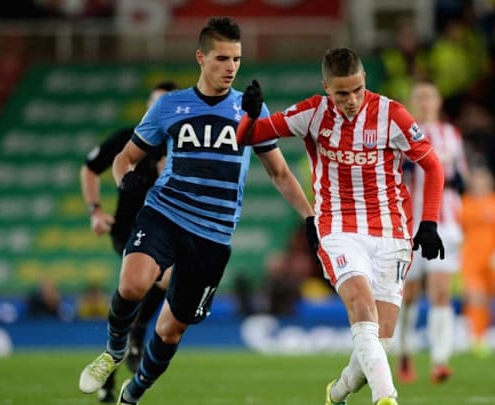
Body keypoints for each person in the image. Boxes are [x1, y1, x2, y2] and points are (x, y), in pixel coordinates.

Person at [78, 16, 314, 405]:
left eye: (237, 59)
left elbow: (280, 173)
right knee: (133, 284)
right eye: (222, 58)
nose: (231, 68)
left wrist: (310, 218)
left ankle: (132, 392)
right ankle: (113, 351)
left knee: (171, 331)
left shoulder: (249, 110)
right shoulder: (170, 106)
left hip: (213, 236)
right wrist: (127, 181)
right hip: (165, 213)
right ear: (200, 58)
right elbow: (125, 158)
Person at [237, 47, 446, 405]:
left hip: (392, 232)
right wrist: (249, 113)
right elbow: (248, 136)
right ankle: (387, 399)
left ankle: (337, 392)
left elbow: (433, 166)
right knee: (361, 305)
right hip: (338, 229)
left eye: (357, 90)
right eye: (342, 93)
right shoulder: (312, 113)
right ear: (326, 88)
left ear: (365, 81)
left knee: (377, 345)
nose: (351, 100)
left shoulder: (391, 114)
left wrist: (428, 223)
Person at [79, 80, 178, 403]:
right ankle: (131, 339)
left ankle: (117, 355)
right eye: (154, 104)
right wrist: (95, 210)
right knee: (148, 283)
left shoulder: (180, 144)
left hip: (163, 229)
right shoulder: (129, 139)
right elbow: (91, 169)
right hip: (128, 229)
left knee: (155, 284)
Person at [394, 79, 469, 384]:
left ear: (438, 102)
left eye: (430, 96)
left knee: (440, 291)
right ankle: (404, 352)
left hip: (446, 223)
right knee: (409, 294)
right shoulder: (401, 134)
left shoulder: (451, 134)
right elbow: (395, 171)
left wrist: (446, 177)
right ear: (412, 102)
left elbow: (462, 179)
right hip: (409, 224)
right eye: (419, 97)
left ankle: (440, 360)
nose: (425, 102)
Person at [457, 166, 495, 356]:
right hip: (469, 259)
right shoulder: (463, 204)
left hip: (493, 262)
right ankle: (476, 338)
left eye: (484, 178)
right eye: (477, 178)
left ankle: (483, 335)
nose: (480, 182)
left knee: (489, 302)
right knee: (475, 296)